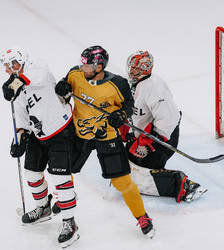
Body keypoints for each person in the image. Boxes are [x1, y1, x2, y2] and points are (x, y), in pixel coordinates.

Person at [55, 45, 155, 238]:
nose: (81, 68)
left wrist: (121, 115)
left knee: (121, 181)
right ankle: (67, 197)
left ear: (99, 67)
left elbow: (128, 105)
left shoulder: (118, 83)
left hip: (107, 136)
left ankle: (142, 217)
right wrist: (61, 86)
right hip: (80, 134)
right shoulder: (75, 74)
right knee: (64, 173)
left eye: (86, 65)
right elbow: (64, 84)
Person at [0, 47, 79, 248]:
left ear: (23, 60)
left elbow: (34, 77)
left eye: (14, 64)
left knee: (60, 178)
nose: (11, 69)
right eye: (7, 67)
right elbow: (21, 117)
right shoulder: (16, 90)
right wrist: (20, 137)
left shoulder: (38, 68)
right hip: (38, 134)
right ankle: (43, 208)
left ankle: (70, 223)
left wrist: (15, 83)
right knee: (31, 174)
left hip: (61, 132)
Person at [119, 50, 207, 202]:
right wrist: (128, 131)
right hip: (144, 135)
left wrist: (146, 144)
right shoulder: (134, 83)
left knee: (137, 180)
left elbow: (169, 119)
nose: (131, 71)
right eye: (131, 67)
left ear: (145, 69)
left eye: (136, 68)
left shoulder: (154, 87)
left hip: (161, 138)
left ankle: (184, 185)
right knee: (127, 167)